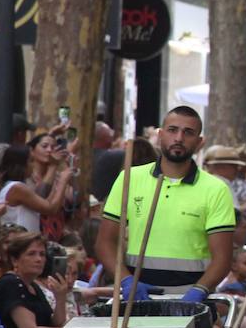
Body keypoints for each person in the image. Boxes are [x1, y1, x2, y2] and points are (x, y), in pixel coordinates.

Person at [95, 106, 235, 303]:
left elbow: (222, 259)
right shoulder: (129, 178)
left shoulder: (216, 189)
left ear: (200, 142)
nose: (179, 138)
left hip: (190, 300)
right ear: (160, 135)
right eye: (172, 130)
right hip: (136, 299)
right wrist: (126, 280)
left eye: (188, 132)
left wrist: (199, 291)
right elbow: (104, 243)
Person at [0, 231, 73, 328]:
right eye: (31, 254)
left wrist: (60, 297)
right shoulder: (11, 284)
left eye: (42, 254)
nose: (39, 259)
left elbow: (56, 323)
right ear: (14, 260)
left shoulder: (33, 285)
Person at [0, 142, 72, 233]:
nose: (33, 165)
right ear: (21, 164)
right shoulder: (17, 187)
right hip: (20, 242)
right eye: (31, 161)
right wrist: (63, 181)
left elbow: (45, 202)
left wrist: (57, 185)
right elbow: (51, 209)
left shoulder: (15, 186)